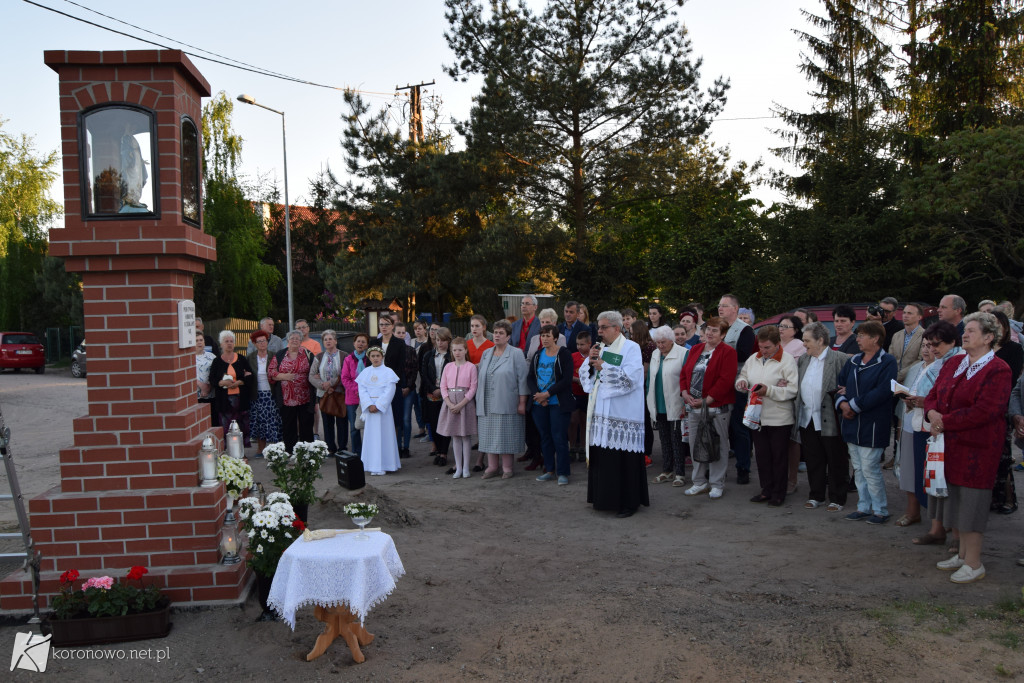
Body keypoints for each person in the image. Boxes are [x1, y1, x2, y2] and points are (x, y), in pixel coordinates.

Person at [925, 312, 1012, 583]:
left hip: (978, 449)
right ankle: (961, 555)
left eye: (972, 331)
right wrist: (931, 414)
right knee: (955, 500)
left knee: (972, 504)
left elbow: (987, 411)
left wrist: (943, 421)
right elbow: (933, 394)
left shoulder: (998, 369)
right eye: (965, 329)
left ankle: (974, 563)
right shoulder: (955, 363)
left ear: (988, 338)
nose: (965, 334)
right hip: (949, 445)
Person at [579, 311, 649, 517]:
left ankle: (628, 502)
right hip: (601, 412)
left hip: (623, 412)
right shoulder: (600, 348)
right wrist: (591, 364)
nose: (599, 331)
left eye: (603, 327)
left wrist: (603, 366)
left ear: (617, 329)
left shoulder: (631, 348)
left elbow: (632, 378)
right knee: (604, 455)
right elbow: (586, 375)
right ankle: (603, 499)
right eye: (598, 327)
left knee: (623, 458)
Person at [836, 320, 898, 524]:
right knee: (859, 468)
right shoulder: (853, 361)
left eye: (862, 335)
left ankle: (880, 509)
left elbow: (882, 391)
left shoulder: (887, 361)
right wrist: (843, 403)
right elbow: (840, 384)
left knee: (870, 467)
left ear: (875, 338)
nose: (858, 339)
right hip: (852, 423)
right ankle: (863, 507)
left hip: (873, 423)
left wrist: (853, 404)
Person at [909, 322, 965, 546]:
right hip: (929, 423)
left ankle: (958, 537)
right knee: (932, 478)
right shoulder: (939, 362)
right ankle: (937, 528)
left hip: (949, 428)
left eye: (937, 344)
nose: (932, 349)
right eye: (929, 344)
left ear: (953, 341)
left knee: (950, 483)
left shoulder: (959, 361)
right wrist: (928, 405)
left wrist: (930, 405)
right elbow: (933, 394)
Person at [737, 326, 798, 506]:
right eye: (761, 347)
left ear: (777, 344)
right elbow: (744, 375)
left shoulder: (787, 361)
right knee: (762, 456)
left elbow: (792, 390)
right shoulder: (753, 358)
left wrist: (769, 390)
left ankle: (779, 492)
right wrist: (741, 382)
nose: (763, 351)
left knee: (778, 457)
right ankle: (766, 489)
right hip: (757, 416)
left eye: (767, 348)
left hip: (779, 418)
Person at [795, 322, 852, 511]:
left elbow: (852, 382)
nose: (804, 344)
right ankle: (816, 495)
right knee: (814, 459)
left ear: (820, 340)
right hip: (808, 418)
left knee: (836, 459)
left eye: (807, 340)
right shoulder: (804, 359)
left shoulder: (839, 359)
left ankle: (837, 498)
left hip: (830, 419)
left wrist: (847, 391)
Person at [680, 317, 738, 499]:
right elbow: (683, 373)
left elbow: (726, 380)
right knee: (694, 444)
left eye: (715, 330)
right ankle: (698, 482)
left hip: (716, 407)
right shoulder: (696, 349)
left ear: (723, 334)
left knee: (717, 445)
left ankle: (716, 483)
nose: (710, 333)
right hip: (693, 406)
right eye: (708, 329)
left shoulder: (728, 352)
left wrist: (707, 400)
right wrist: (684, 393)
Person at [477, 320, 529, 479]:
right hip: (486, 401)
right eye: (496, 332)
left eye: (501, 333)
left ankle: (507, 468)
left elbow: (523, 379)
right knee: (488, 435)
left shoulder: (516, 353)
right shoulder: (486, 353)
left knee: (506, 435)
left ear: (508, 336)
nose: (497, 336)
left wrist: (522, 402)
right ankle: (492, 467)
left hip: (507, 400)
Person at [527, 325, 575, 485]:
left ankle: (563, 472)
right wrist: (538, 396)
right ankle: (549, 469)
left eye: (548, 335)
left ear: (555, 337)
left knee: (559, 437)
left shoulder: (564, 354)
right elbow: (530, 378)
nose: (544, 338)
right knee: (545, 437)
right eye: (542, 336)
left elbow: (567, 379)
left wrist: (547, 394)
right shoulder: (537, 355)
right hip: (539, 403)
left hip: (558, 403)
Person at [894, 337, 935, 526]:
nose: (926, 350)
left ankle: (939, 522)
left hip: (930, 427)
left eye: (931, 346)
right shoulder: (915, 368)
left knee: (932, 473)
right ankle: (912, 511)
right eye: (924, 345)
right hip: (911, 422)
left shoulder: (943, 368)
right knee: (909, 469)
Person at [718, 294, 755, 485]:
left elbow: (744, 354)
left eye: (724, 306)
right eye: (719, 305)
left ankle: (743, 468)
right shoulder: (717, 328)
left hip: (737, 386)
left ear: (735, 308)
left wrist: (721, 349)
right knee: (719, 428)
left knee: (739, 429)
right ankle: (718, 469)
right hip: (718, 386)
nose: (720, 309)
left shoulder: (745, 330)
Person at [647, 325, 689, 487]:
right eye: (657, 342)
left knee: (677, 439)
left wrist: (686, 402)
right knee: (664, 439)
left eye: (663, 342)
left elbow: (686, 378)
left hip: (675, 401)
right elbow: (651, 378)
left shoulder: (683, 353)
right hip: (658, 402)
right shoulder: (655, 354)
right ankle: (667, 470)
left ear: (671, 341)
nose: (660, 345)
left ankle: (680, 473)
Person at [991, 310, 1022, 514]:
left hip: (1003, 408)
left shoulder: (1014, 348)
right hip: (985, 409)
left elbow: (1012, 383)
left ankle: (1008, 498)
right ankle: (989, 498)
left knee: (1003, 455)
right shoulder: (983, 349)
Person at [268, 330, 317, 454]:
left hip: (305, 397)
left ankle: (307, 452)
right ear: (288, 341)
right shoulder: (280, 354)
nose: (295, 340)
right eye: (292, 338)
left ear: (301, 341)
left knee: (306, 425)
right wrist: (284, 377)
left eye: (297, 339)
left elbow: (315, 372)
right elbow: (271, 372)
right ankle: (290, 451)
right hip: (286, 397)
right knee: (289, 425)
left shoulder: (308, 354)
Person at [356, 347, 402, 476]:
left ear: (382, 357)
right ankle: (371, 465)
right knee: (371, 437)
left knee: (384, 436)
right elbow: (362, 389)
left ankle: (386, 464)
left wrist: (379, 405)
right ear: (369, 358)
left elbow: (390, 390)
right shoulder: (365, 372)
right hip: (370, 409)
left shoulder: (388, 372)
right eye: (373, 356)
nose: (375, 358)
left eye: (378, 356)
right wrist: (369, 404)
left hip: (383, 410)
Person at [437, 337, 479, 479]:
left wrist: (461, 404)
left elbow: (473, 388)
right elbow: (443, 386)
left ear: (465, 350)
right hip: (450, 402)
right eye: (454, 350)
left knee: (465, 436)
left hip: (465, 403)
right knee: (455, 436)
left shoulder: (471, 367)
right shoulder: (448, 366)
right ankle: (458, 468)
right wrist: (449, 403)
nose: (457, 352)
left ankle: (466, 467)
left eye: (460, 349)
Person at [210, 330, 252, 447]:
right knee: (226, 427)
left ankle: (242, 451)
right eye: (226, 341)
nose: (229, 343)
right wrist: (221, 382)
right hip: (224, 400)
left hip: (240, 399)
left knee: (242, 425)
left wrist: (240, 381)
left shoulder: (241, 359)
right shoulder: (217, 361)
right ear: (221, 344)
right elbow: (212, 379)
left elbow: (249, 376)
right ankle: (228, 450)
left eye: (231, 341)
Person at [309, 330, 348, 456]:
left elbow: (346, 374)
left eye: (330, 339)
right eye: (325, 339)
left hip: (340, 393)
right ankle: (330, 447)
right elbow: (311, 375)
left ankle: (342, 447)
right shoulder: (319, 357)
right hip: (324, 394)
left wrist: (330, 383)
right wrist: (322, 385)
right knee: (327, 422)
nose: (328, 341)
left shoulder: (344, 356)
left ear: (336, 341)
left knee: (341, 421)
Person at [247, 329, 283, 458]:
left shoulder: (274, 355)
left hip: (271, 393)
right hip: (257, 394)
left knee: (274, 420)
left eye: (264, 340)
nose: (262, 343)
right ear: (255, 344)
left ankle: (277, 448)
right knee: (259, 422)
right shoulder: (250, 357)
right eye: (259, 341)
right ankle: (261, 448)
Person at [421, 327, 454, 467]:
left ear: (448, 341)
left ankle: (444, 452)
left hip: (448, 395)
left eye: (443, 340)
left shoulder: (452, 356)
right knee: (434, 424)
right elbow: (424, 375)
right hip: (432, 394)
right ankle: (438, 449)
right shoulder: (428, 355)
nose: (440, 343)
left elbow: (454, 375)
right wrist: (433, 389)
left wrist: (443, 389)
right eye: (437, 340)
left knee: (446, 424)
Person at [377, 315, 408, 446]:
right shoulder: (374, 343)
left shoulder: (399, 343)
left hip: (393, 386)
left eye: (386, 324)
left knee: (395, 418)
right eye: (381, 324)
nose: (384, 327)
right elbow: (369, 364)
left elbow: (401, 366)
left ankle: (395, 448)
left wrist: (390, 381)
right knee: (379, 418)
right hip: (376, 386)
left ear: (392, 326)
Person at [340, 333, 370, 456]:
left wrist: (365, 391)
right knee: (354, 427)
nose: (360, 344)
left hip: (368, 397)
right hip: (353, 397)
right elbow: (345, 378)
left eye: (363, 342)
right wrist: (357, 389)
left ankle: (368, 451)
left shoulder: (370, 359)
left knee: (369, 426)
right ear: (354, 343)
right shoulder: (348, 359)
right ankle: (357, 452)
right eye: (358, 341)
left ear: (367, 345)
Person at [394, 322, 419, 459]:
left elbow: (415, 370)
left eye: (403, 333)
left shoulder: (411, 350)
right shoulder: (391, 350)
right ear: (394, 333)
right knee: (397, 419)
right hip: (396, 389)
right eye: (398, 332)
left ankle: (406, 447)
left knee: (406, 419)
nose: (401, 335)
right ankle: (397, 447)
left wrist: (408, 387)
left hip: (409, 389)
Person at [569, 330, 592, 462]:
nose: (579, 347)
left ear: (589, 343)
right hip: (575, 393)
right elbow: (568, 374)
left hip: (587, 395)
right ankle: (572, 446)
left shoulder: (594, 356)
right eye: (577, 344)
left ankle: (583, 447)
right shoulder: (573, 356)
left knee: (584, 422)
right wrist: (578, 380)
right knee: (573, 421)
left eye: (582, 344)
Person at [889, 302, 925, 385]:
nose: (905, 315)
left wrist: (898, 376)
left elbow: (920, 361)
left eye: (910, 313)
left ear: (919, 317)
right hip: (893, 381)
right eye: (904, 313)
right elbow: (891, 358)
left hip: (913, 380)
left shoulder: (925, 335)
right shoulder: (896, 335)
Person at [195, 330, 217, 427]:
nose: (199, 342)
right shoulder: (188, 357)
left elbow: (217, 373)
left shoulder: (212, 356)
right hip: (197, 396)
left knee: (212, 423)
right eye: (196, 340)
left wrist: (209, 387)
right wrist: (202, 386)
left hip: (211, 395)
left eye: (201, 340)